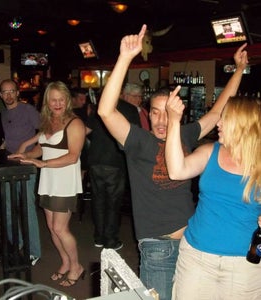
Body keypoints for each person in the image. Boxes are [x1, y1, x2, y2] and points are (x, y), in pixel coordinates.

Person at [97, 24, 249, 300]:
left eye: (167, 113)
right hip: (158, 246)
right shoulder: (138, 141)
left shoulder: (185, 133)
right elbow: (106, 111)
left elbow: (217, 112)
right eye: (155, 113)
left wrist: (238, 70)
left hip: (195, 244)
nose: (162, 120)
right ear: (148, 114)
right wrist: (125, 58)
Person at [165, 93, 261, 299]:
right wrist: (173, 121)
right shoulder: (211, 151)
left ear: (241, 124)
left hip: (244, 265)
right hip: (196, 257)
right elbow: (176, 171)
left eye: (224, 118)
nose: (218, 122)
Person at [8, 81, 86, 287]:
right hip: (49, 181)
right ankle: (66, 262)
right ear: (47, 102)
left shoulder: (75, 123)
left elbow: (72, 156)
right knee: (51, 228)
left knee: (61, 229)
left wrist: (42, 163)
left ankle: (76, 266)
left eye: (61, 99)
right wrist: (25, 155)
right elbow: (41, 148)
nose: (58, 104)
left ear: (67, 100)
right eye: (54, 100)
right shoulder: (47, 121)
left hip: (65, 182)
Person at [86, 95, 141, 250]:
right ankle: (110, 240)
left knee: (98, 200)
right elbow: (136, 136)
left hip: (96, 159)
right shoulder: (129, 109)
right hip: (116, 160)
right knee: (113, 202)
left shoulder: (100, 106)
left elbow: (87, 130)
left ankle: (98, 236)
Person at [0, 79, 41, 265]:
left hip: (28, 162)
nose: (8, 95)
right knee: (8, 208)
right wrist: (2, 147)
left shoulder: (28, 110)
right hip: (10, 163)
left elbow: (46, 130)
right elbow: (10, 137)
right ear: (0, 95)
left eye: (11, 91)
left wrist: (26, 145)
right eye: (4, 92)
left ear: (17, 93)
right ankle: (16, 244)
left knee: (27, 207)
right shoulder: (3, 113)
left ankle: (33, 251)